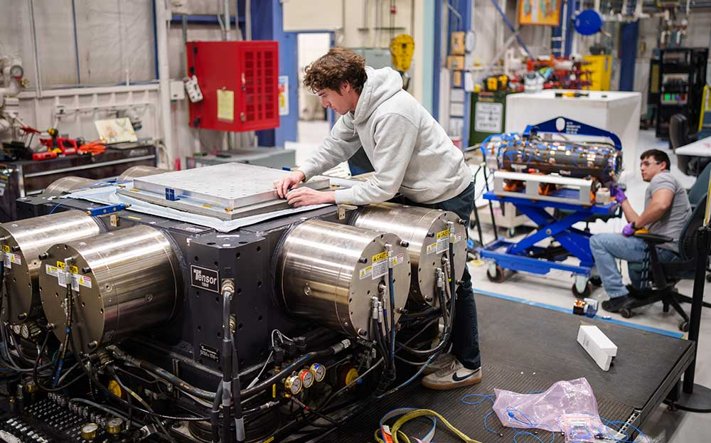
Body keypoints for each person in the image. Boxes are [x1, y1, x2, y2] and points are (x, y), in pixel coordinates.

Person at [274, 48, 481, 390]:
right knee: (414, 273)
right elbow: (336, 145)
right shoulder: (361, 105)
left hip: (446, 191)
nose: (324, 104)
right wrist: (302, 171)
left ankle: (469, 362)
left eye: (325, 96)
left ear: (344, 86)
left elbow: (385, 185)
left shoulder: (392, 113)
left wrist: (326, 196)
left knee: (452, 276)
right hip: (417, 191)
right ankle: (427, 345)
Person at [590, 149, 692, 313]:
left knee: (597, 241)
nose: (642, 168)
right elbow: (640, 220)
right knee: (616, 239)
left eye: (647, 163)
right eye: (640, 165)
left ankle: (618, 296)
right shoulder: (664, 182)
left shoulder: (662, 178)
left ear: (662, 165)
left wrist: (635, 226)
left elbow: (660, 205)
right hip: (664, 244)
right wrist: (622, 199)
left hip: (662, 248)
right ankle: (638, 290)